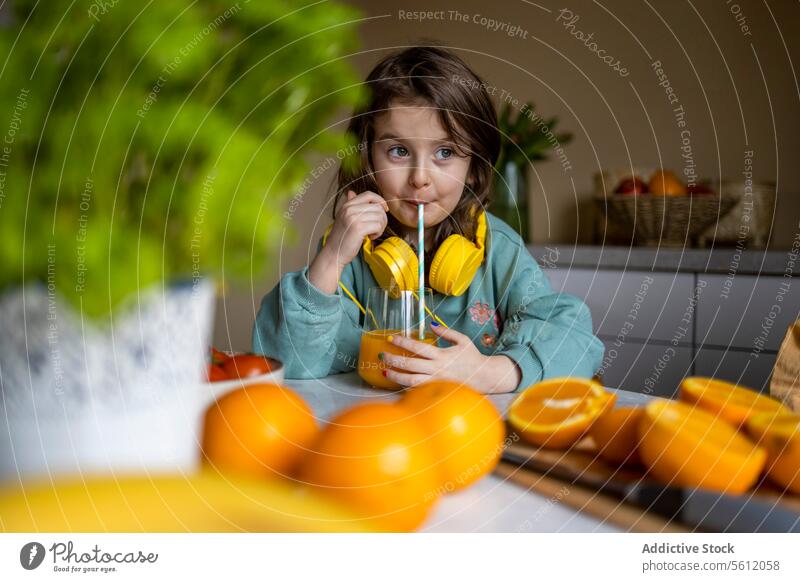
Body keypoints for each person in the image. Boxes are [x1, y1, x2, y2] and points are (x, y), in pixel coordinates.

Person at [252, 46, 604, 393]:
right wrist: (330, 259)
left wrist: (490, 373)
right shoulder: (348, 249)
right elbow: (288, 362)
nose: (420, 177)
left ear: (473, 168)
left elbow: (573, 339)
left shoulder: (499, 248)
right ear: (368, 158)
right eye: (399, 151)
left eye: (445, 152)